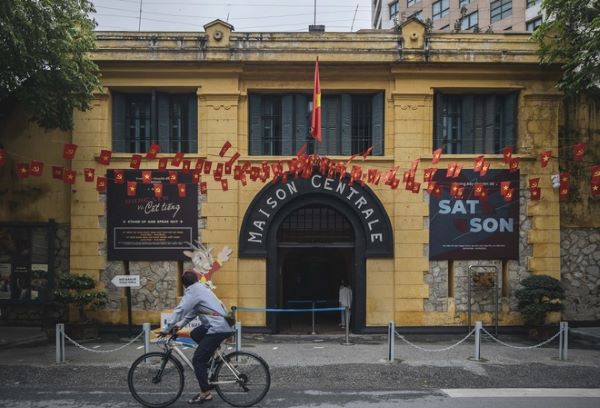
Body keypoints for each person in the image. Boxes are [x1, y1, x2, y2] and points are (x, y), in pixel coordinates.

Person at [160, 270, 234, 404]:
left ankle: (205, 393)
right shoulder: (201, 288)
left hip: (217, 327)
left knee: (198, 360)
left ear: (184, 285)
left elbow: (180, 310)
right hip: (222, 324)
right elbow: (193, 312)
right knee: (195, 333)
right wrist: (179, 325)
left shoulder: (193, 291)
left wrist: (166, 328)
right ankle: (213, 355)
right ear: (197, 279)